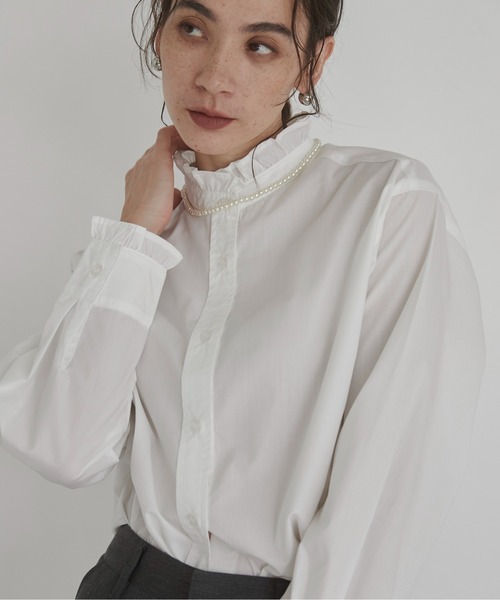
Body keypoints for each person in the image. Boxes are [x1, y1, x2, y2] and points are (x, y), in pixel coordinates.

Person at [0, 0, 485, 598]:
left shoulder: (387, 205)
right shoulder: (144, 242)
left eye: (260, 45)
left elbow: (390, 489)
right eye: (193, 29)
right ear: (159, 38)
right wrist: (132, 239)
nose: (213, 77)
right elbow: (62, 448)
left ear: (312, 64)